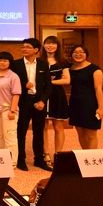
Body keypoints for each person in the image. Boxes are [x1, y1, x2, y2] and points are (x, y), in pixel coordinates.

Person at [11, 38, 52, 171]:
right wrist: (24, 86)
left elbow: (48, 86)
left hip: (39, 102)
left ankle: (39, 159)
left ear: (36, 50)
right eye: (23, 47)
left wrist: (43, 101)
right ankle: (20, 159)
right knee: (21, 131)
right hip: (23, 102)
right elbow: (12, 85)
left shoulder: (43, 64)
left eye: (28, 47)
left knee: (38, 132)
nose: (24, 49)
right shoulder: (16, 64)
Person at [40, 36, 70, 165]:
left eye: (53, 44)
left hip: (57, 96)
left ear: (57, 46)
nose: (50, 46)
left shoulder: (63, 62)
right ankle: (45, 153)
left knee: (58, 127)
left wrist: (50, 82)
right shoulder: (39, 61)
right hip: (42, 96)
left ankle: (58, 155)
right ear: (44, 45)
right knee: (43, 126)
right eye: (48, 43)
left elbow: (67, 80)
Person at [68, 45, 103, 149]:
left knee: (91, 134)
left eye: (81, 52)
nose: (78, 54)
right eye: (75, 52)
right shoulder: (70, 69)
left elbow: (98, 89)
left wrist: (100, 108)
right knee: (80, 132)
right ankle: (85, 155)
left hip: (90, 104)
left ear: (86, 54)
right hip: (75, 104)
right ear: (71, 54)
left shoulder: (95, 69)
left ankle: (92, 156)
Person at [0, 51, 21, 167]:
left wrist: (12, 111)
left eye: (5, 60)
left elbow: (16, 94)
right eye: (0, 60)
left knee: (10, 137)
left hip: (8, 110)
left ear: (10, 62)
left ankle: (12, 162)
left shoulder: (13, 76)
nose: (2, 63)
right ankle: (1, 160)